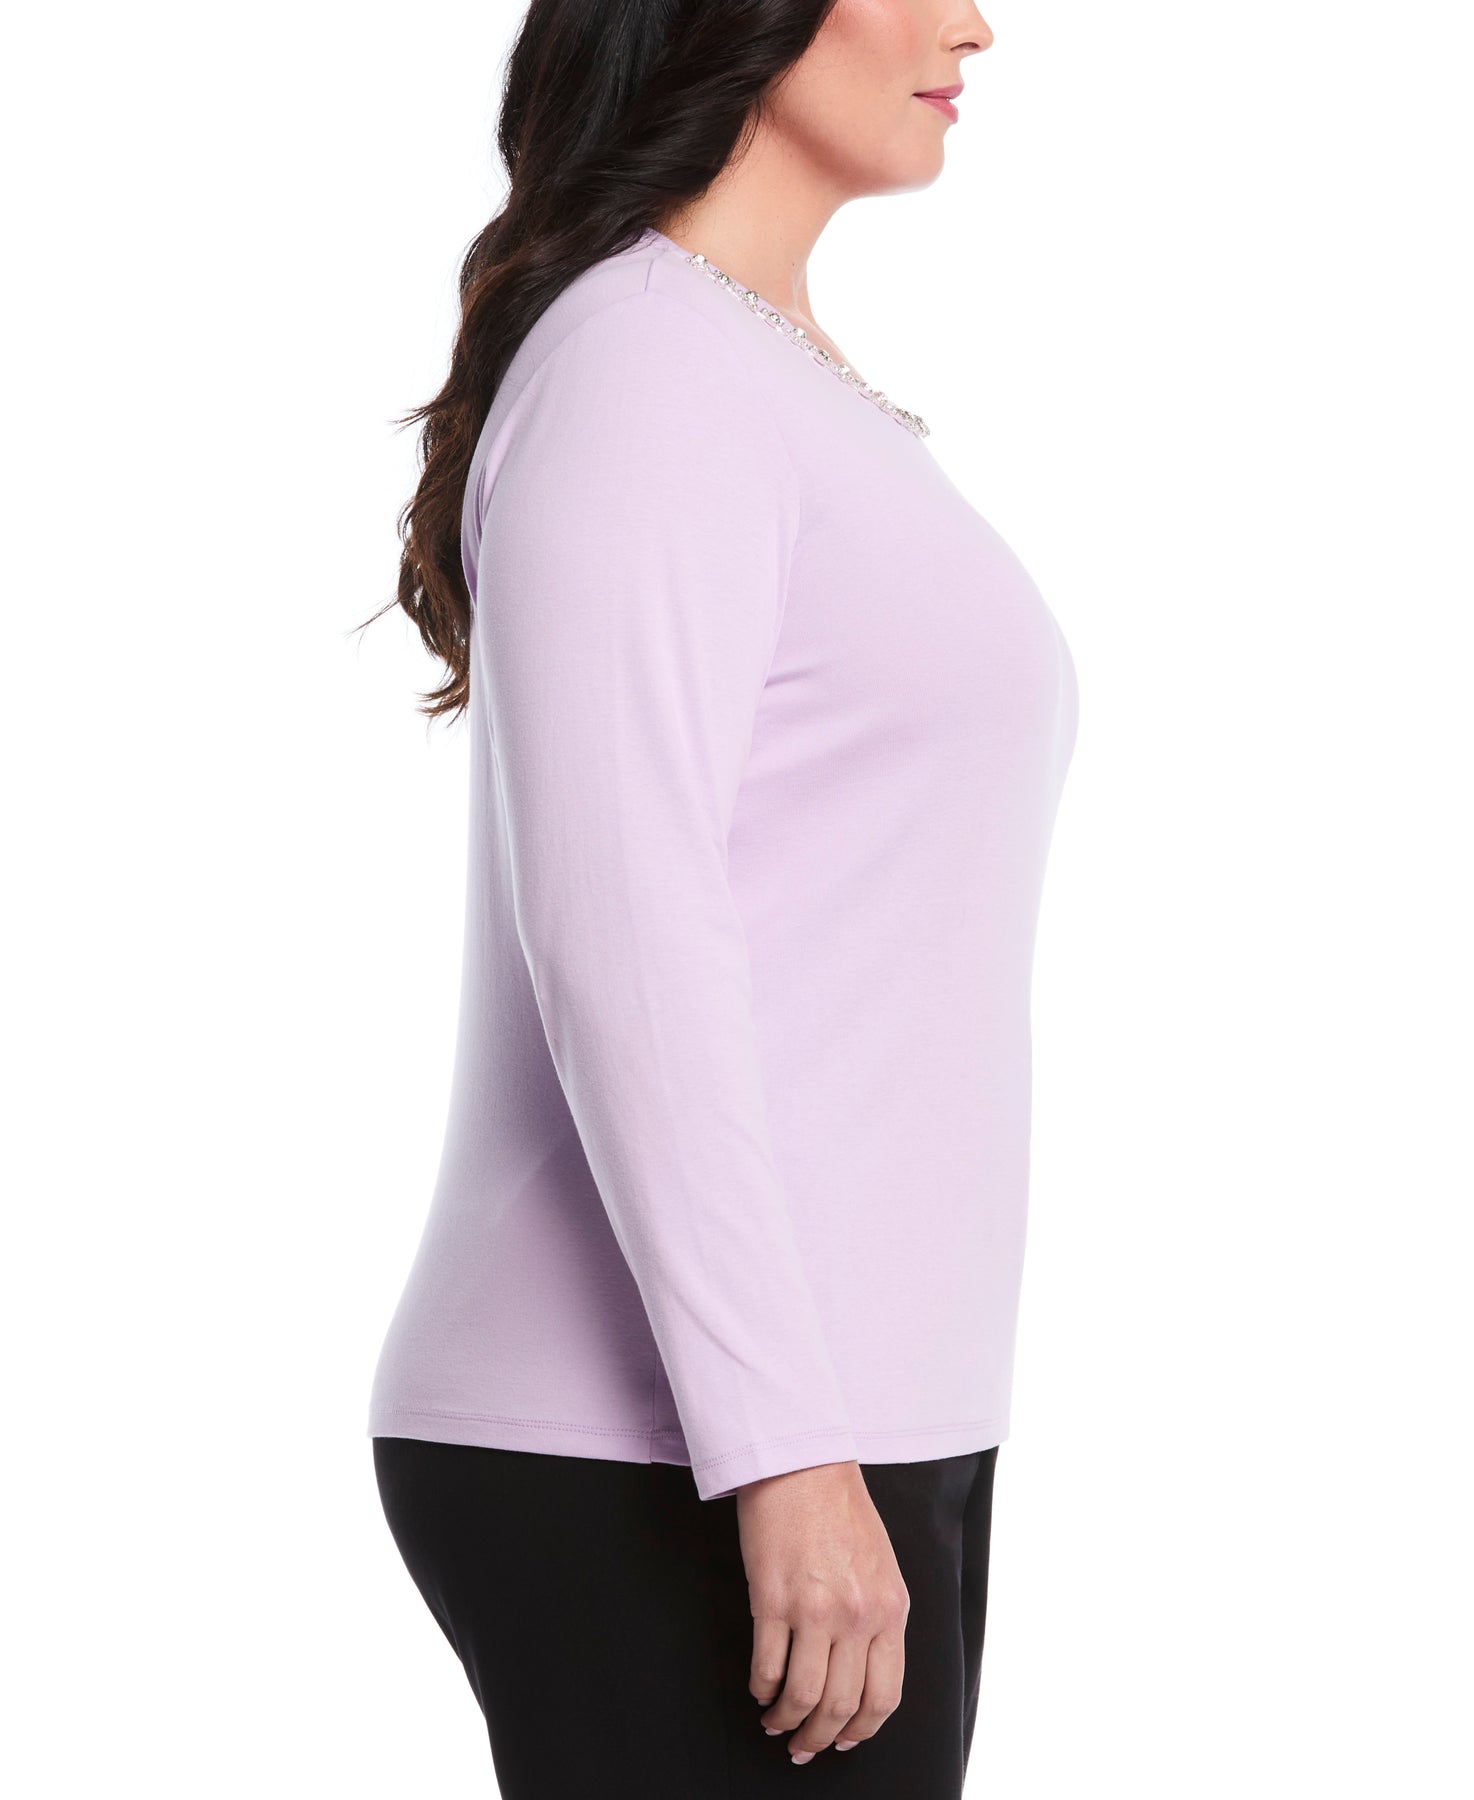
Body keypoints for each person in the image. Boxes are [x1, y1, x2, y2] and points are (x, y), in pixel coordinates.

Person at [362, 3, 1078, 1794]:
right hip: (668, 1444)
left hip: (841, 1412)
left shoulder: (754, 368)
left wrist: (824, 1443)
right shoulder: (644, 368)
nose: (974, 23)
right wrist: (777, 1452)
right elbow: (620, 929)